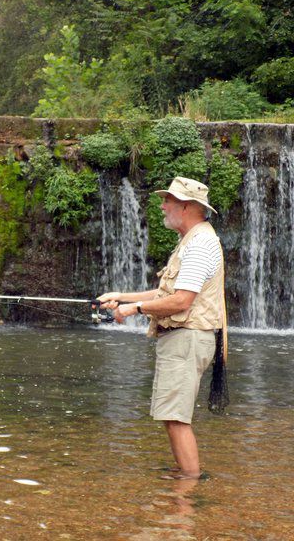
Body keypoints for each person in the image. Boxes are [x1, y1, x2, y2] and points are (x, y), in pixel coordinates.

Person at [98, 176, 226, 480]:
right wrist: (122, 296)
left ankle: (188, 489)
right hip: (183, 340)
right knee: (172, 416)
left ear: (186, 206)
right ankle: (185, 476)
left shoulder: (199, 245)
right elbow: (167, 293)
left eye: (167, 200)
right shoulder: (192, 240)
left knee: (177, 419)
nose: (162, 206)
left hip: (188, 339)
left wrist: (134, 309)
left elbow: (181, 301)